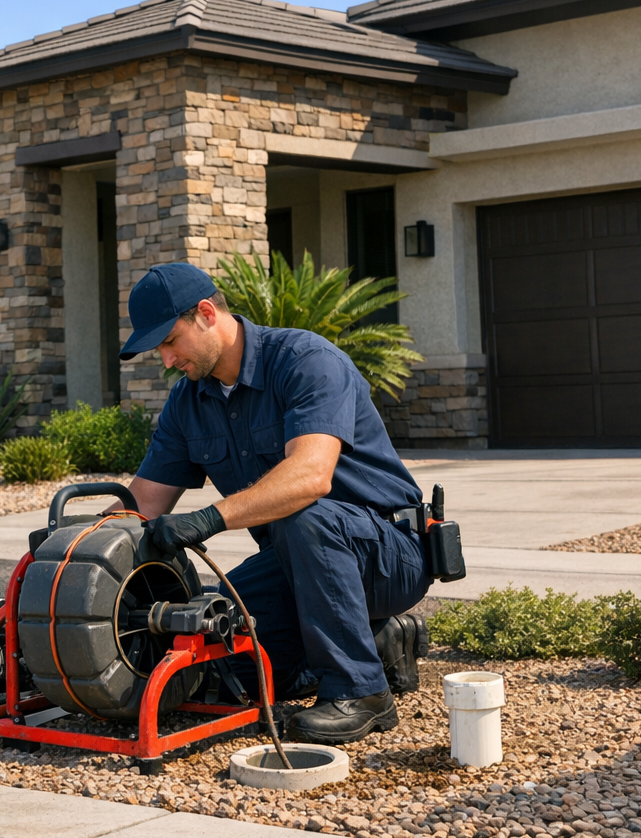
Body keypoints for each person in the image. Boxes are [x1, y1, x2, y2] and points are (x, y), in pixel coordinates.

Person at [108, 262, 432, 745]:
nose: (167, 359)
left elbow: (309, 478)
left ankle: (361, 693)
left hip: (389, 553)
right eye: (159, 348)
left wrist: (208, 519)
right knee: (217, 661)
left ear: (204, 313)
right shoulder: (188, 402)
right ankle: (377, 640)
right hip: (294, 563)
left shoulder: (305, 360)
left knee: (304, 513)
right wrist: (79, 550)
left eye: (170, 341)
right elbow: (143, 504)